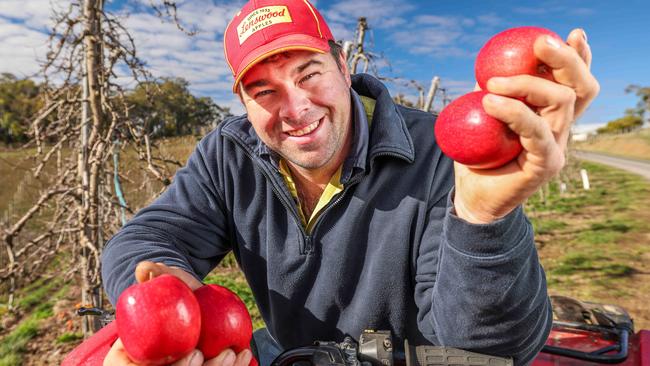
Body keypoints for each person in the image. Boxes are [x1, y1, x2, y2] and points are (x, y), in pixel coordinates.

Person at [101, 0, 599, 365]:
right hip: (294, 356)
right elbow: (146, 238)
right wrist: (164, 295)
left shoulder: (442, 153)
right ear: (243, 102)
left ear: (343, 66)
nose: (295, 108)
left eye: (309, 73)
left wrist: (483, 218)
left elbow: (487, 349)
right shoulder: (228, 156)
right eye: (264, 90)